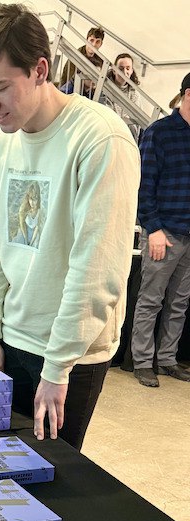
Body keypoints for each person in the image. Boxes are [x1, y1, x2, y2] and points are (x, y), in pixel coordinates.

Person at [0, 4, 139, 450]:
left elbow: (98, 267)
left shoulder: (100, 139)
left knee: (50, 478)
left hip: (71, 354)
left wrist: (57, 367)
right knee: (2, 467)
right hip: (12, 337)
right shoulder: (1, 141)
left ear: (40, 69)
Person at [131, 73, 190, 388]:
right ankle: (142, 361)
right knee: (151, 299)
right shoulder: (159, 133)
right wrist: (151, 228)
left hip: (189, 234)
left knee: (179, 302)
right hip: (162, 232)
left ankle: (167, 359)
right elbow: (143, 185)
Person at [102, 53, 143, 141]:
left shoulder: (135, 92)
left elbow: (137, 120)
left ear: (132, 71)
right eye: (121, 68)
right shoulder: (105, 88)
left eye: (128, 68)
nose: (124, 72)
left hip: (128, 135)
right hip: (109, 134)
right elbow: (106, 116)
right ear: (114, 70)